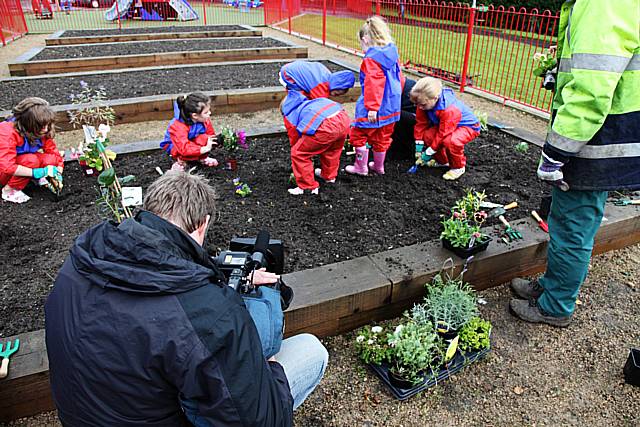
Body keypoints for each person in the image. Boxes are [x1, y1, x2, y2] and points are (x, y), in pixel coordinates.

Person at [45, 171, 329, 426]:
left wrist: (215, 275)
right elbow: (259, 420)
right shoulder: (205, 312)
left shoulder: (82, 261)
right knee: (311, 350)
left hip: (80, 415)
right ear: (203, 224)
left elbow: (151, 282)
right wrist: (270, 364)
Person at [509, 0, 640, 327]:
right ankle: (553, 287)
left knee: (572, 227)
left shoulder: (602, 5)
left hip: (594, 141)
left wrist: (557, 150)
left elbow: (590, 92)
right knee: (569, 220)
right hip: (602, 135)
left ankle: (555, 305)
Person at [346, 16, 404, 176]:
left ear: (365, 39)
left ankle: (360, 167)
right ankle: (378, 167)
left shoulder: (371, 59)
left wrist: (372, 107)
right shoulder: (392, 55)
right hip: (391, 107)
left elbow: (374, 82)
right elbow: (400, 79)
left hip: (374, 107)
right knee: (382, 137)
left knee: (358, 134)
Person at [409, 77, 480, 180]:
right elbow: (421, 123)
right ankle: (443, 162)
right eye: (416, 104)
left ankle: (458, 167)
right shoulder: (423, 103)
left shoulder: (449, 109)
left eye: (422, 105)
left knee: (451, 141)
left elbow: (443, 133)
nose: (419, 107)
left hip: (468, 127)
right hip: (445, 126)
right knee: (428, 136)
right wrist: (419, 145)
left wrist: (429, 152)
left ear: (435, 98)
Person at [282, 90, 350, 195]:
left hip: (326, 126)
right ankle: (329, 176)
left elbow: (295, 138)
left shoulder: (290, 115)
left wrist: (299, 159)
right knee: (333, 150)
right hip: (342, 117)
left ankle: (308, 187)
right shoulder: (310, 103)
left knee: (299, 153)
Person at [0, 97, 64, 204]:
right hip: (3, 171)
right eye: (41, 126)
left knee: (50, 159)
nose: (45, 129)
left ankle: (36, 179)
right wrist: (36, 172)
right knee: (30, 160)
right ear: (27, 123)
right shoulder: (7, 132)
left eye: (47, 125)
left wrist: (58, 174)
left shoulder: (41, 130)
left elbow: (54, 154)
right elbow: (7, 166)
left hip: (22, 163)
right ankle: (10, 190)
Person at [160, 92, 219, 172]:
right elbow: (183, 148)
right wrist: (203, 149)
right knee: (183, 150)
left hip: (190, 142)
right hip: (175, 145)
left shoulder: (203, 119)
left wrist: (217, 141)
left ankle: (202, 158)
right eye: (206, 112)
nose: (209, 113)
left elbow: (210, 135)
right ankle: (180, 161)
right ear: (194, 115)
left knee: (206, 139)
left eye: (208, 110)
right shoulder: (178, 126)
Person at [279, 60, 355, 100]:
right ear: (337, 86)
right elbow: (320, 105)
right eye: (337, 93)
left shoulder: (326, 75)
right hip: (289, 75)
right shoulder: (321, 87)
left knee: (308, 95)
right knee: (299, 99)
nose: (336, 96)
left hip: (290, 68)